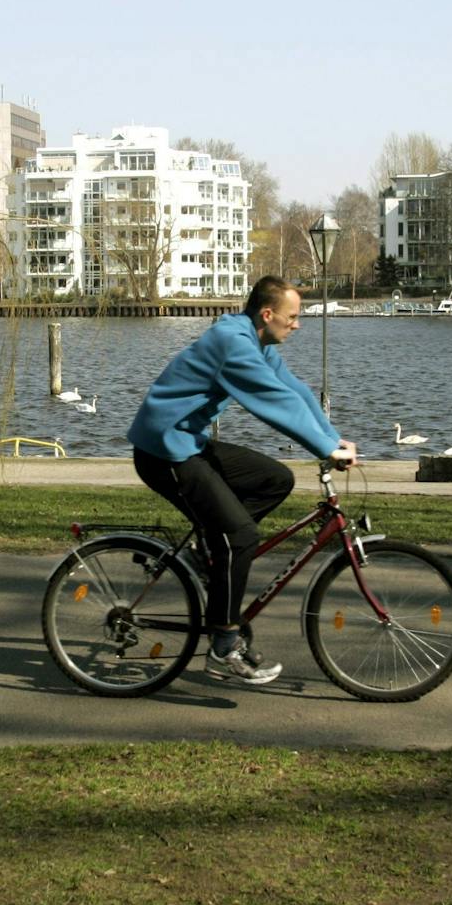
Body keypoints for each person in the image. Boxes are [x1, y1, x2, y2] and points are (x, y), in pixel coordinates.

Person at [128, 276, 358, 685]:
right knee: (240, 536)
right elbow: (273, 403)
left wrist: (330, 436)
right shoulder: (233, 345)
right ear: (267, 314)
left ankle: (211, 552)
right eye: (292, 317)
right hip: (162, 451)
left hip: (187, 443)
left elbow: (295, 391)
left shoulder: (255, 341)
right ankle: (223, 645)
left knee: (274, 479)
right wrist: (324, 450)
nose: (297, 325)